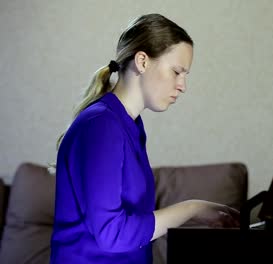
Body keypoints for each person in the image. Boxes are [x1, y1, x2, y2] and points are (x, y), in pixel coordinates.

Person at [50, 13, 240, 264]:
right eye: (176, 71)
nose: (183, 85)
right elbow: (112, 234)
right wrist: (192, 209)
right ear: (142, 61)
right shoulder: (101, 125)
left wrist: (199, 212)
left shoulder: (131, 125)